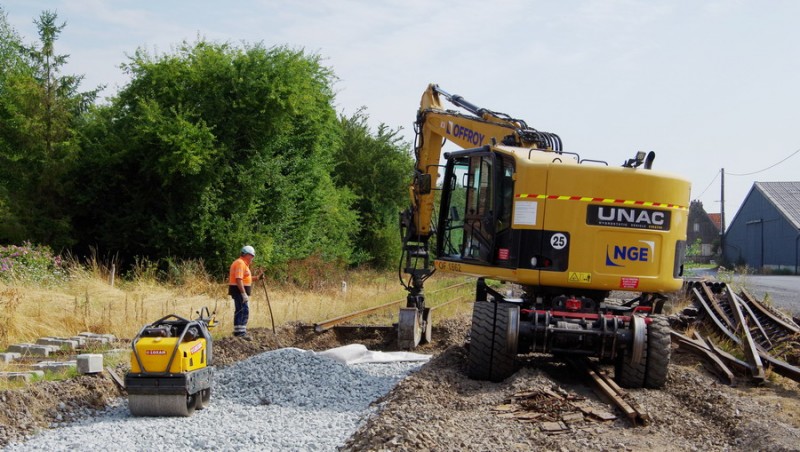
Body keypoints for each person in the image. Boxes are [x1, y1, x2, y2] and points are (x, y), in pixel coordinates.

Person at [228, 245, 263, 338]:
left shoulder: (243, 264)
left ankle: (239, 332)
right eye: (252, 256)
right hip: (239, 291)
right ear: (247, 255)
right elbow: (239, 279)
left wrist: (257, 278)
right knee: (243, 310)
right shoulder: (240, 263)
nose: (252, 258)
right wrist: (243, 294)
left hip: (239, 291)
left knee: (241, 310)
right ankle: (240, 333)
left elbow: (245, 278)